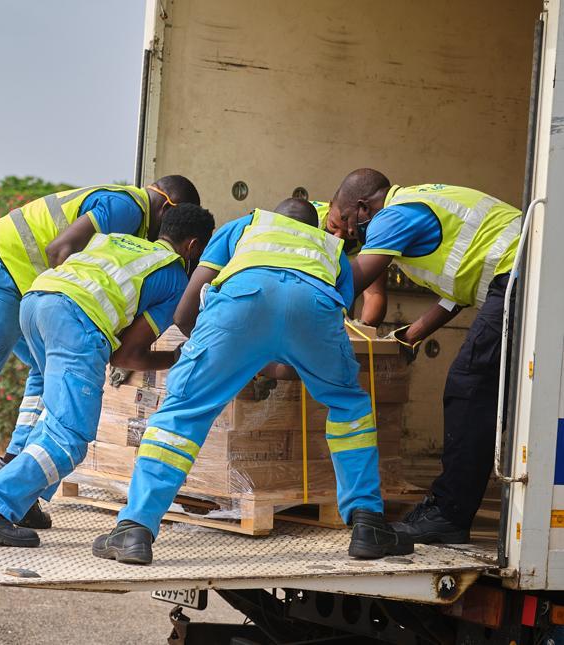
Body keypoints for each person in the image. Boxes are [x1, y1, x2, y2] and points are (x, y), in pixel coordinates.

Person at [93, 198, 413, 563]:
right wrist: (269, 361)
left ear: (273, 216)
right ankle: (368, 524)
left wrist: (227, 360)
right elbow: (323, 335)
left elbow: (185, 313)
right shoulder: (333, 250)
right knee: (348, 404)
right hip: (315, 308)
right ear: (316, 225)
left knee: (183, 412)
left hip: (241, 305)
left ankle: (135, 529)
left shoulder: (244, 226)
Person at [0, 178, 201, 529]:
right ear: (168, 206)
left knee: (42, 374)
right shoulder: (128, 206)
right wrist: (73, 310)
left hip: (32, 293)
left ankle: (13, 478)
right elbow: (59, 250)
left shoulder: (129, 223)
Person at [0, 203, 215, 547]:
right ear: (193, 246)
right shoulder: (173, 275)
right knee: (70, 436)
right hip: (74, 320)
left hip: (35, 302)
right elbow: (127, 354)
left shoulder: (117, 240)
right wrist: (174, 358)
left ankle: (22, 501)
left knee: (53, 418)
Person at [327, 169, 522, 544]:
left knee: (468, 385)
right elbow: (457, 290)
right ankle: (448, 507)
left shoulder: (393, 217)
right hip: (520, 272)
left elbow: (352, 281)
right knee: (478, 385)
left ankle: (449, 514)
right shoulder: (416, 206)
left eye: (348, 223)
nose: (349, 234)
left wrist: (302, 293)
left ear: (364, 207)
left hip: (519, 272)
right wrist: (411, 335)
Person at [315, 200, 388, 326]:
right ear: (330, 205)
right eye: (333, 226)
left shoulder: (372, 236)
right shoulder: (310, 218)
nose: (338, 238)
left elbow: (375, 294)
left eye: (349, 234)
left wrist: (363, 327)